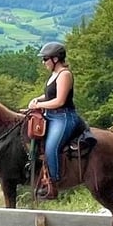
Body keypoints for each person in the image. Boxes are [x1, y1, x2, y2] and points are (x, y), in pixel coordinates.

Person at [27, 41, 82, 200]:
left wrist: (39, 105)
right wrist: (37, 99)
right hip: (51, 115)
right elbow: (50, 95)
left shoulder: (65, 74)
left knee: (51, 147)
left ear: (56, 59)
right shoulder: (54, 75)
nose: (43, 62)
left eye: (45, 59)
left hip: (63, 116)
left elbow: (59, 100)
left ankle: (54, 182)